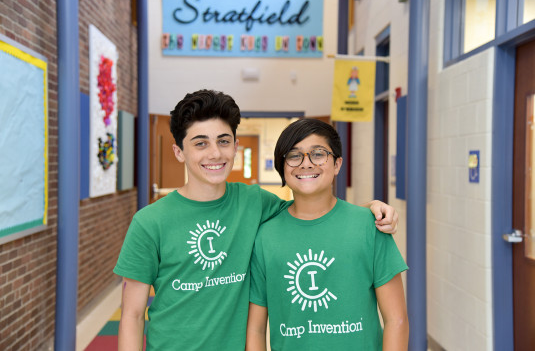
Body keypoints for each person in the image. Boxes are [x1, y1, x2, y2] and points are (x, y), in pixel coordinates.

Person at [113, 89, 400, 350]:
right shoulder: (149, 222)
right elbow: (133, 315)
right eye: (200, 143)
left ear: (235, 146)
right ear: (179, 151)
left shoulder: (254, 202)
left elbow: (314, 207)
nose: (215, 153)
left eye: (223, 141)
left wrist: (368, 211)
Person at [246, 118, 409, 350]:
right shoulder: (265, 236)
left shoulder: (370, 226)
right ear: (282, 166)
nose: (306, 163)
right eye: (294, 156)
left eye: (318, 154)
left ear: (337, 164)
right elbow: (255, 328)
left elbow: (397, 320)